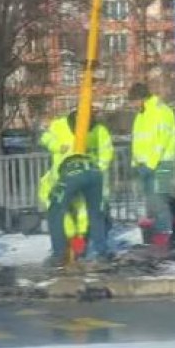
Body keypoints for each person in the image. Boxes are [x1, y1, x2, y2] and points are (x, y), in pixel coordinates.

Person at [39, 109, 113, 266]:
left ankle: (60, 255)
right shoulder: (59, 125)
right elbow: (44, 138)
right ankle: (101, 252)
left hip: (71, 174)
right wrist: (58, 146)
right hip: (91, 174)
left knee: (57, 211)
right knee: (94, 214)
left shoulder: (99, 130)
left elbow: (106, 154)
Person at [128, 82, 175, 254]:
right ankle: (158, 238)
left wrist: (151, 163)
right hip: (146, 165)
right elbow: (139, 141)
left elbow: (161, 141)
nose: (132, 105)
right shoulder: (141, 115)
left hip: (161, 163)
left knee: (159, 201)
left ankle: (163, 238)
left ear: (141, 98)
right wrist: (136, 162)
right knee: (152, 202)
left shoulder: (160, 111)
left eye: (133, 101)